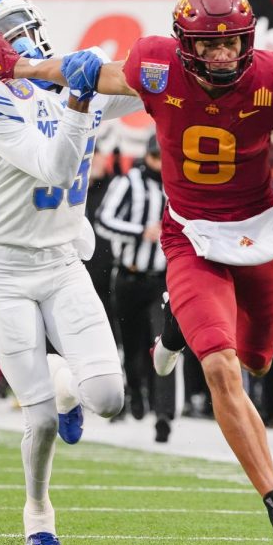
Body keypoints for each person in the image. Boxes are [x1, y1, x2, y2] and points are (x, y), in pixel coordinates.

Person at [0, 0, 273, 545]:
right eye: (211, 44)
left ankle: (173, 329)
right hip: (193, 236)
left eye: (233, 42)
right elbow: (86, 73)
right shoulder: (156, 66)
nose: (224, 53)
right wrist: (22, 68)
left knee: (256, 360)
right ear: (185, 44)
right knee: (224, 369)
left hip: (256, 234)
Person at [0, 0, 142, 545]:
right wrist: (81, 95)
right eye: (9, 30)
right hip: (3, 266)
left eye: (25, 24)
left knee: (109, 397)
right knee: (38, 420)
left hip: (62, 259)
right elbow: (56, 164)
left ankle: (69, 386)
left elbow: (142, 89)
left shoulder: (61, 76)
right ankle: (38, 511)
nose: (25, 35)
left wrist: (162, 66)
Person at [94, 136, 172, 442]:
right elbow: (103, 220)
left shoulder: (176, 184)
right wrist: (141, 232)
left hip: (162, 280)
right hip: (129, 276)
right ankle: (135, 394)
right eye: (155, 157)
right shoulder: (129, 182)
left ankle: (164, 414)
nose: (159, 164)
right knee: (131, 344)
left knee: (164, 344)